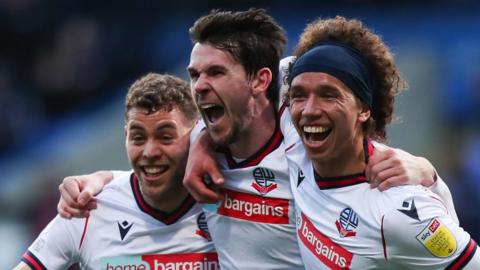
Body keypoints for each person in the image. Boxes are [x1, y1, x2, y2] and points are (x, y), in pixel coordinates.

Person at [57, 9, 456, 270]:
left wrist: (429, 174)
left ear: (260, 81)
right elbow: (143, 174)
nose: (198, 86)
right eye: (195, 75)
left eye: (215, 73)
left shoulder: (303, 140)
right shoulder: (204, 150)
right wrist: (91, 183)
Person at [282, 16, 479, 268]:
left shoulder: (396, 209)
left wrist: (432, 181)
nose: (309, 109)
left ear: (363, 110)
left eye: (328, 95)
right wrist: (212, 143)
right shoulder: (294, 137)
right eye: (299, 95)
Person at [15, 73, 218, 269]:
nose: (149, 152)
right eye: (138, 138)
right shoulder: (87, 209)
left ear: (196, 136)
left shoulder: (226, 199)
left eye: (165, 137)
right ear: (126, 136)